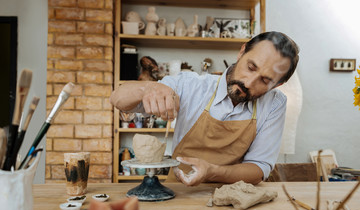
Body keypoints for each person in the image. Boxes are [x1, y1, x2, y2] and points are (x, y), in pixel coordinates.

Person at [110, 31, 299, 187]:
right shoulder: (190, 85)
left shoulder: (274, 104)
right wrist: (148, 88)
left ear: (276, 85)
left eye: (265, 80)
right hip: (179, 192)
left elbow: (259, 168)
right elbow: (117, 98)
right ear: (241, 52)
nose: (248, 82)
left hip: (234, 197)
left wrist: (212, 172)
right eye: (250, 67)